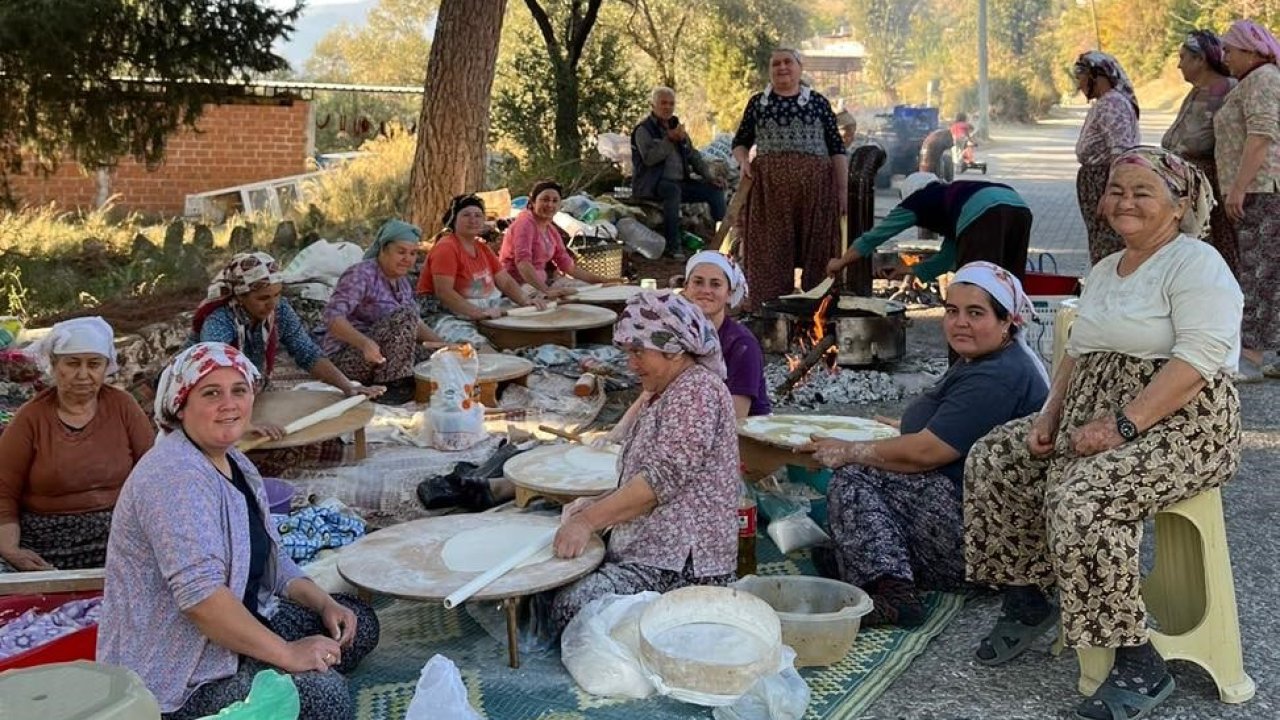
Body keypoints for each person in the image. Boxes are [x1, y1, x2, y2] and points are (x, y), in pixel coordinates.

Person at [963, 147, 1241, 720]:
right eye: (1116, 190)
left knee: (1083, 497)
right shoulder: (1107, 269)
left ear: (1179, 203)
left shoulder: (1196, 264)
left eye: (1143, 191)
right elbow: (1077, 354)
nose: (1125, 201)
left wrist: (1122, 425)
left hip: (1183, 426)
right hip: (1094, 417)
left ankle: (1139, 660)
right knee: (995, 458)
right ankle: (1030, 595)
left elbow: (1197, 362)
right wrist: (1049, 415)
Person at [98, 342, 379, 719]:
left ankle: (265, 665)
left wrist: (325, 603)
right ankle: (259, 674)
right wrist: (287, 653)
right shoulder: (173, 476)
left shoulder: (236, 463)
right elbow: (201, 600)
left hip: (239, 625)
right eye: (211, 393)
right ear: (181, 405)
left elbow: (273, 560)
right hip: (183, 670)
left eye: (239, 390)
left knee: (357, 624)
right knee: (324, 696)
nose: (229, 404)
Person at [799, 262, 1048, 628]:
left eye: (975, 313)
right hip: (973, 511)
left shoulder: (999, 375)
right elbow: (950, 428)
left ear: (1007, 320)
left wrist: (849, 449)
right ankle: (872, 562)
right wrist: (896, 429)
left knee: (854, 478)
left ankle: (894, 595)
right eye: (952, 311)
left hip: (987, 540)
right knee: (857, 500)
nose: (959, 322)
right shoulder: (986, 357)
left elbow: (927, 454)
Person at [549, 291, 739, 633]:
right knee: (550, 578)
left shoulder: (697, 392)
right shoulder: (667, 389)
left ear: (675, 348)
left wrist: (588, 521)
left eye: (639, 351)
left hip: (682, 565)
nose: (631, 364)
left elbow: (659, 481)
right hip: (651, 548)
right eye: (628, 352)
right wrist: (595, 505)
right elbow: (648, 476)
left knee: (571, 608)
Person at [0, 317, 153, 571]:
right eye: (72, 364)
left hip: (119, 537)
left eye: (94, 364)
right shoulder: (31, 418)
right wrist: (11, 550)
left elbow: (154, 475)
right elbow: (3, 492)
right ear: (54, 364)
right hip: (45, 542)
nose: (83, 375)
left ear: (106, 367)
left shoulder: (123, 406)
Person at [732, 48, 848, 307]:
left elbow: (837, 148)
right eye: (776, 63)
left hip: (816, 190)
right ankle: (769, 311)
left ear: (800, 67)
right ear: (770, 70)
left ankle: (819, 308)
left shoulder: (817, 102)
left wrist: (842, 191)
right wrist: (743, 162)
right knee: (769, 252)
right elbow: (739, 143)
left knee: (819, 249)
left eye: (788, 62)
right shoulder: (757, 103)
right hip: (769, 192)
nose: (782, 67)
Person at [192, 251, 383, 398]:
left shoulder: (279, 310)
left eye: (277, 294)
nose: (272, 303)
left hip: (246, 389)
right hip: (204, 390)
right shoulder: (220, 320)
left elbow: (306, 352)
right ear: (240, 296)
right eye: (263, 297)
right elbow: (213, 371)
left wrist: (348, 387)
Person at [825, 172, 1032, 285]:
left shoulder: (917, 201)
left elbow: (874, 237)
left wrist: (840, 262)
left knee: (976, 284)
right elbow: (945, 259)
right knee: (1011, 280)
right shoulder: (953, 202)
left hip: (984, 212)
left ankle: (971, 358)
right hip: (1019, 207)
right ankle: (1012, 340)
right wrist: (905, 270)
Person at [1215, 19, 1280, 380]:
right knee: (1269, 271)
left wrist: (1238, 187)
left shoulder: (1264, 79)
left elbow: (1261, 135)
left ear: (1251, 50)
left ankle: (1251, 357)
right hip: (1257, 189)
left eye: (1230, 49)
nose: (1224, 57)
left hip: (1262, 190)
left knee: (1259, 274)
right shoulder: (1253, 81)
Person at [320, 219, 444, 400]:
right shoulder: (361, 274)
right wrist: (364, 343)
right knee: (404, 315)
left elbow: (415, 325)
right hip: (349, 357)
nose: (407, 259)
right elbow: (332, 318)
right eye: (401, 252)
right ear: (383, 250)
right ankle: (393, 386)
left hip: (383, 357)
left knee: (438, 359)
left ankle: (400, 378)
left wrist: (445, 346)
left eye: (412, 253)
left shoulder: (402, 281)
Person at [418, 194, 549, 344]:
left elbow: (505, 281)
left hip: (479, 306)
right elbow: (444, 292)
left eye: (478, 215)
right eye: (466, 215)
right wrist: (478, 313)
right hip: (442, 313)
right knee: (478, 347)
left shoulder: (482, 248)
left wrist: (525, 301)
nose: (473, 220)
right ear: (454, 221)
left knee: (532, 316)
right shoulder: (446, 248)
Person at [1162, 30, 1239, 278]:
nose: (1178, 64)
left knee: (1214, 252)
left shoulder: (1224, 90)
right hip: (1185, 184)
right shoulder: (1197, 91)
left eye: (1184, 57)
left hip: (1208, 188)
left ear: (1200, 59)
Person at [630, 87, 727, 260]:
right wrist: (669, 140)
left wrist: (710, 177)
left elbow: (693, 157)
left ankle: (724, 240)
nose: (667, 107)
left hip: (680, 182)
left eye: (671, 103)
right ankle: (673, 247)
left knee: (714, 191)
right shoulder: (643, 130)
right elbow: (649, 159)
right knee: (672, 191)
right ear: (653, 105)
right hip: (653, 185)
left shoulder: (677, 128)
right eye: (663, 103)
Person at [683, 250, 770, 418]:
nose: (706, 290)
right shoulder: (679, 335)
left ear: (729, 293)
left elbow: (736, 417)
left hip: (743, 435)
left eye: (715, 284)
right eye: (698, 282)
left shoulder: (742, 344)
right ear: (686, 288)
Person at [498, 180, 622, 295]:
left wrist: (603, 281)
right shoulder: (525, 223)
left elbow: (568, 267)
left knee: (587, 291)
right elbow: (522, 263)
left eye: (555, 201)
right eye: (545, 200)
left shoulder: (550, 230)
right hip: (518, 285)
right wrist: (546, 291)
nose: (550, 205)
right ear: (533, 202)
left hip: (542, 284)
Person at [1074, 51, 1141, 265]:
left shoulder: (1113, 104)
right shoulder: (1104, 102)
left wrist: (1111, 191)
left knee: (1109, 246)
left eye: (1081, 74)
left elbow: (1122, 153)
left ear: (1097, 76)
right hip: (1096, 180)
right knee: (1099, 242)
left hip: (1105, 180)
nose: (1079, 82)